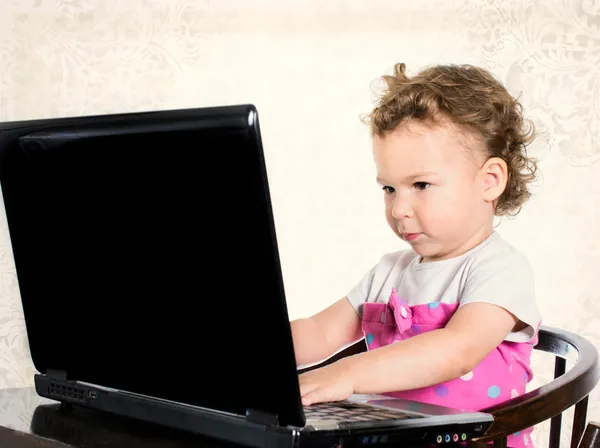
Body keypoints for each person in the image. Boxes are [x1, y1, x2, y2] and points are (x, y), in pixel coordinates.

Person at [290, 62, 542, 448]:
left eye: (420, 184)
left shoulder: (499, 269)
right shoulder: (390, 271)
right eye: (389, 189)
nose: (398, 209)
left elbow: (455, 351)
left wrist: (347, 374)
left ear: (489, 181)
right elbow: (320, 332)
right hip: (394, 436)